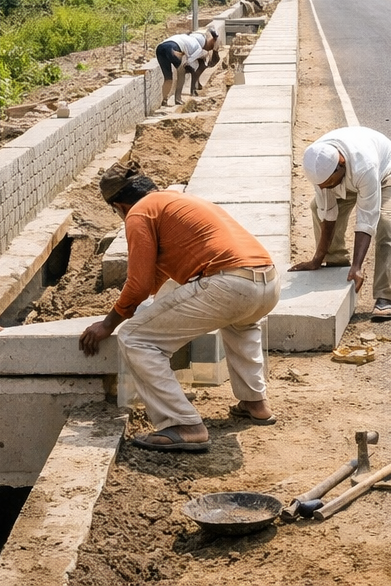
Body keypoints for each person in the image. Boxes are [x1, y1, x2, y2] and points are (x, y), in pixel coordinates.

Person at [80, 163, 280, 452]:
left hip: (229, 285)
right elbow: (154, 277)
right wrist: (143, 305)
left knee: (135, 338)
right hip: (267, 282)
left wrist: (108, 324)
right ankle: (255, 403)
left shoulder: (139, 213)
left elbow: (137, 284)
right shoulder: (178, 200)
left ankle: (183, 424)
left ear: (119, 205)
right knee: (241, 324)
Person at [291, 127, 391, 321]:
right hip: (349, 180)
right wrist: (317, 259)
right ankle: (335, 263)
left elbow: (367, 218)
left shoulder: (365, 164)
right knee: (315, 207)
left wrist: (358, 265)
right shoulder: (318, 164)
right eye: (323, 186)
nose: (327, 188)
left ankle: (384, 297)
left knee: (385, 223)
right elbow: (328, 215)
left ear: (341, 164)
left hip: (386, 176)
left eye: (329, 183)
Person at [155, 29, 206, 107]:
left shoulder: (184, 37)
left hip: (160, 48)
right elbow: (190, 60)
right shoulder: (197, 46)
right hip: (172, 48)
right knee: (181, 73)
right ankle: (178, 99)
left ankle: (164, 100)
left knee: (168, 78)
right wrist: (186, 65)